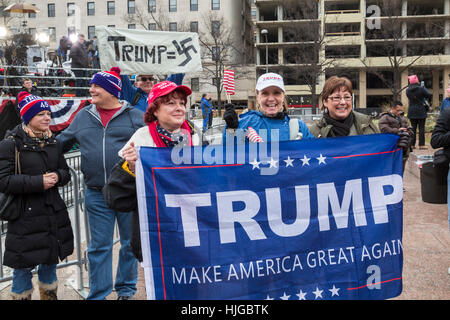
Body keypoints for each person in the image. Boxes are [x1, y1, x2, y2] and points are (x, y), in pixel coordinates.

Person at [56, 67, 145, 300]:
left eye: (96, 86)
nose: (91, 89)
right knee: (99, 247)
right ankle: (99, 294)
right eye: (92, 86)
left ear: (112, 91)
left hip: (129, 191)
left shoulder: (134, 116)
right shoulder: (84, 115)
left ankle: (126, 290)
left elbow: (152, 142)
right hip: (97, 193)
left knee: (129, 244)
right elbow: (60, 143)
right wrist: (28, 140)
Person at [103, 80, 201, 262]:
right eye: (171, 103)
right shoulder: (140, 140)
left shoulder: (196, 138)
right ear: (155, 110)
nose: (179, 108)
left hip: (194, 235)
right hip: (156, 238)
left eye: (181, 103)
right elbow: (115, 198)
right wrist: (131, 170)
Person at [0, 92, 74, 300]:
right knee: (22, 269)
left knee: (50, 264)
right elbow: (3, 180)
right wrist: (38, 182)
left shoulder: (53, 142)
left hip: (52, 214)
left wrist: (58, 177)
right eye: (40, 114)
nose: (47, 118)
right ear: (27, 117)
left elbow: (65, 172)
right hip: (25, 217)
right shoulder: (11, 144)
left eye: (48, 113)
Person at [223, 72, 314, 142]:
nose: (271, 99)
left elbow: (315, 157)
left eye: (276, 93)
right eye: (265, 93)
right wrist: (231, 130)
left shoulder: (299, 128)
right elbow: (230, 156)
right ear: (257, 96)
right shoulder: (244, 124)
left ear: (283, 96)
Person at [309, 76, 380, 138]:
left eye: (347, 97)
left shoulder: (367, 126)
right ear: (325, 102)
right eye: (337, 97)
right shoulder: (313, 133)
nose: (343, 102)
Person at [378, 101, 411, 173]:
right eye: (398, 110)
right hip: (391, 146)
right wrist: (397, 130)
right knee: (391, 168)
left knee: (402, 168)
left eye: (401, 110)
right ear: (393, 108)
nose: (400, 112)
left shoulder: (402, 118)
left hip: (403, 146)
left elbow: (406, 126)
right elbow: (383, 129)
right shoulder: (385, 117)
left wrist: (408, 130)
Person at [406, 75, 432, 150]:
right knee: (421, 128)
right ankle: (421, 145)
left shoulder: (407, 90)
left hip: (411, 110)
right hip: (421, 110)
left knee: (413, 128)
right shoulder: (421, 89)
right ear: (417, 81)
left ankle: (412, 144)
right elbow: (429, 95)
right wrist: (423, 88)